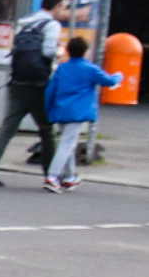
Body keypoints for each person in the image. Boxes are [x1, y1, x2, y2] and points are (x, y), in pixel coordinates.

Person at [0, 0, 67, 186]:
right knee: (46, 129)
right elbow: (48, 51)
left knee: (8, 127)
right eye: (63, 6)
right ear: (57, 6)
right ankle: (50, 174)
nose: (64, 10)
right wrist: (60, 51)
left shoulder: (26, 21)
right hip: (39, 83)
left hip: (18, 80)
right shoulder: (52, 25)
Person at [43, 32, 121, 191]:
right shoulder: (89, 68)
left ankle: (69, 177)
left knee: (68, 143)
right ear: (85, 51)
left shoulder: (62, 68)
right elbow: (109, 81)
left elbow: (50, 91)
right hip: (77, 113)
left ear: (68, 51)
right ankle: (52, 176)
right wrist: (119, 75)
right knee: (67, 144)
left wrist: (48, 110)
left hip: (60, 110)